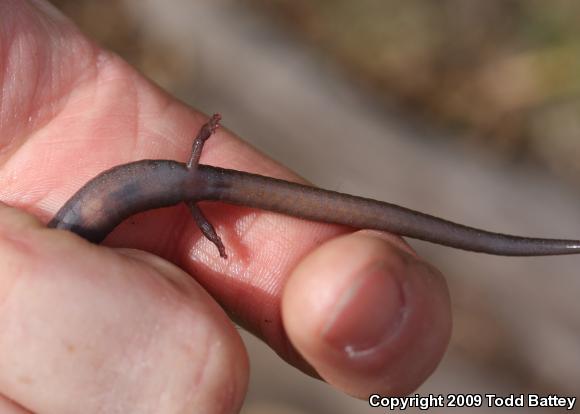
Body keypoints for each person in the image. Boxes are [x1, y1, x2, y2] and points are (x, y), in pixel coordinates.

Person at [0, 1, 451, 412]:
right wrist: (210, 214)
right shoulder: (72, 237)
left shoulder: (69, 235)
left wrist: (213, 230)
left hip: (188, 186)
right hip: (188, 183)